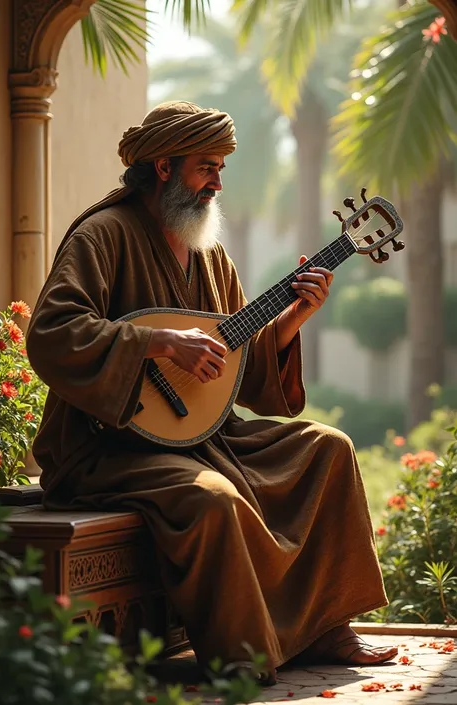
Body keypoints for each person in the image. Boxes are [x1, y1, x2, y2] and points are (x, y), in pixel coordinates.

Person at [26, 101, 398, 686]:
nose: (217, 183)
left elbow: (234, 366)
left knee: (329, 449)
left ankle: (325, 626)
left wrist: (293, 320)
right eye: (207, 167)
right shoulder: (103, 236)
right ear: (164, 166)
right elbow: (50, 334)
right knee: (214, 500)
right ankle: (243, 661)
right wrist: (156, 343)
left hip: (200, 434)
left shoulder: (208, 250)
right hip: (109, 445)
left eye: (221, 167)